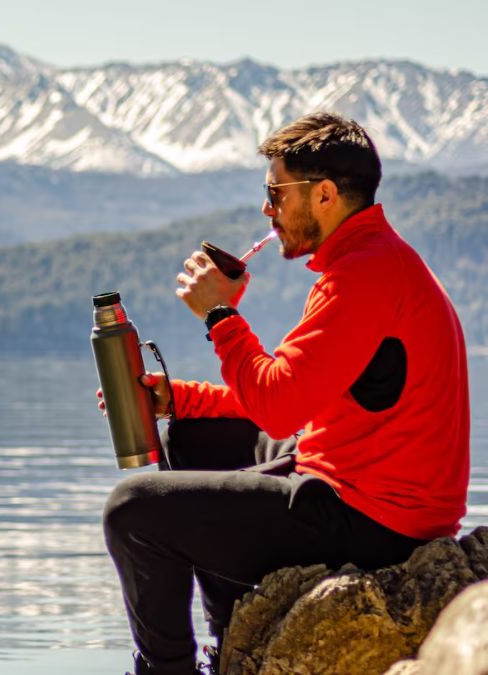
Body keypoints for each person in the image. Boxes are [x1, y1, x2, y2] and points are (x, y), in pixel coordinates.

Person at [98, 112, 470, 675]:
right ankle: (230, 649)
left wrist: (220, 314)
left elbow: (279, 406)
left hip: (376, 524)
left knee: (132, 511)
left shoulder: (364, 277)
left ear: (323, 194)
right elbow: (293, 395)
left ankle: (164, 671)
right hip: (349, 482)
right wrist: (179, 399)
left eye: (275, 193)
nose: (267, 210)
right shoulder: (371, 262)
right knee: (193, 437)